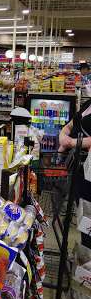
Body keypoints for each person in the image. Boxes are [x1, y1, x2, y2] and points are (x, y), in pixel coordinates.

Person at [59, 98, 91, 248]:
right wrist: (63, 137)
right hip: (78, 165)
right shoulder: (88, 103)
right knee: (82, 210)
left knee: (88, 213)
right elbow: (70, 125)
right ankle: (86, 249)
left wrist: (73, 142)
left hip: (88, 167)